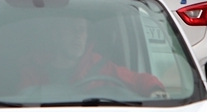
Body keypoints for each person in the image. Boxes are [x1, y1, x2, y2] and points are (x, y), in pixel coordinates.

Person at [19, 16, 166, 97]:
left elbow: (136, 79)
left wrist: (155, 89)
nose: (78, 36)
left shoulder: (99, 65)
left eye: (82, 30)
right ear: (56, 35)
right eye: (72, 30)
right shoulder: (33, 70)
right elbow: (23, 106)